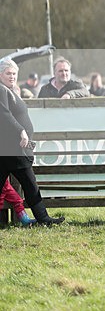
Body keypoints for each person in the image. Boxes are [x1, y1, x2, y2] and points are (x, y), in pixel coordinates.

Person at [0, 59, 64, 225]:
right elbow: (4, 115)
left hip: (11, 148)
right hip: (13, 149)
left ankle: (43, 218)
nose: (12, 76)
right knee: (30, 184)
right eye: (8, 73)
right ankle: (44, 219)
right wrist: (21, 130)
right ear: (0, 74)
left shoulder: (9, 90)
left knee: (28, 184)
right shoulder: (1, 90)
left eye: (14, 73)